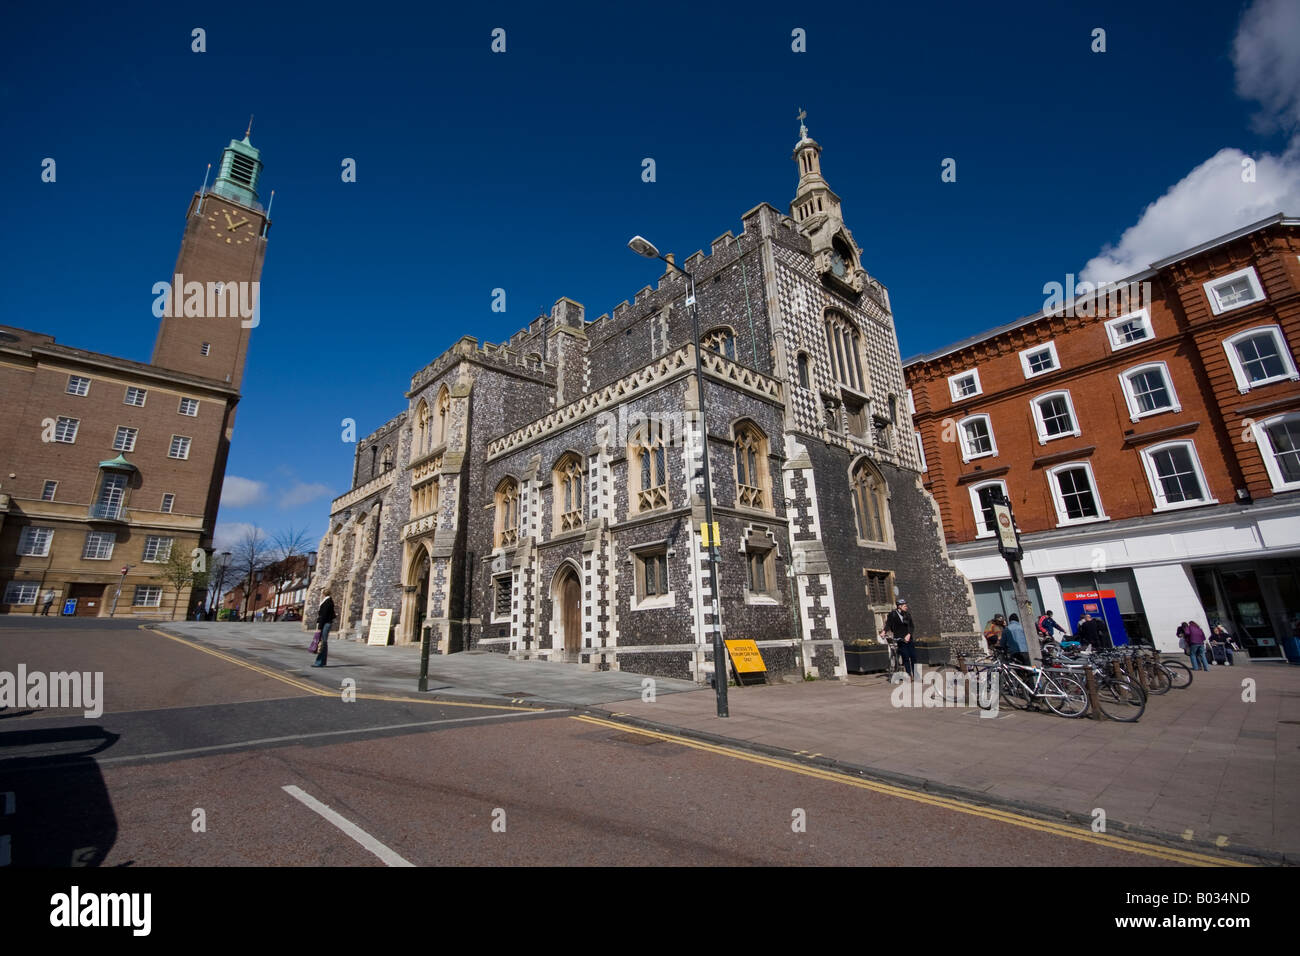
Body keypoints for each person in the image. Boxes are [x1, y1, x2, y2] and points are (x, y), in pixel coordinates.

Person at [885, 598, 915, 679]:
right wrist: (884, 631)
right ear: (899, 606)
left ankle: (917, 675)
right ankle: (909, 675)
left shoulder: (907, 614)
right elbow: (888, 624)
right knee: (906, 657)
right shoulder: (893, 614)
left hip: (909, 639)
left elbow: (912, 626)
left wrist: (909, 634)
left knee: (914, 657)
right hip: (900, 639)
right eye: (905, 606)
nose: (906, 607)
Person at [314, 589, 335, 668]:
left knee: (323, 643)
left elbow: (324, 616)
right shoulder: (328, 601)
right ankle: (322, 661)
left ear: (323, 594)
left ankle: (319, 661)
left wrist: (319, 627)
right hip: (326, 623)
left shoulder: (327, 602)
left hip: (325, 624)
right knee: (324, 642)